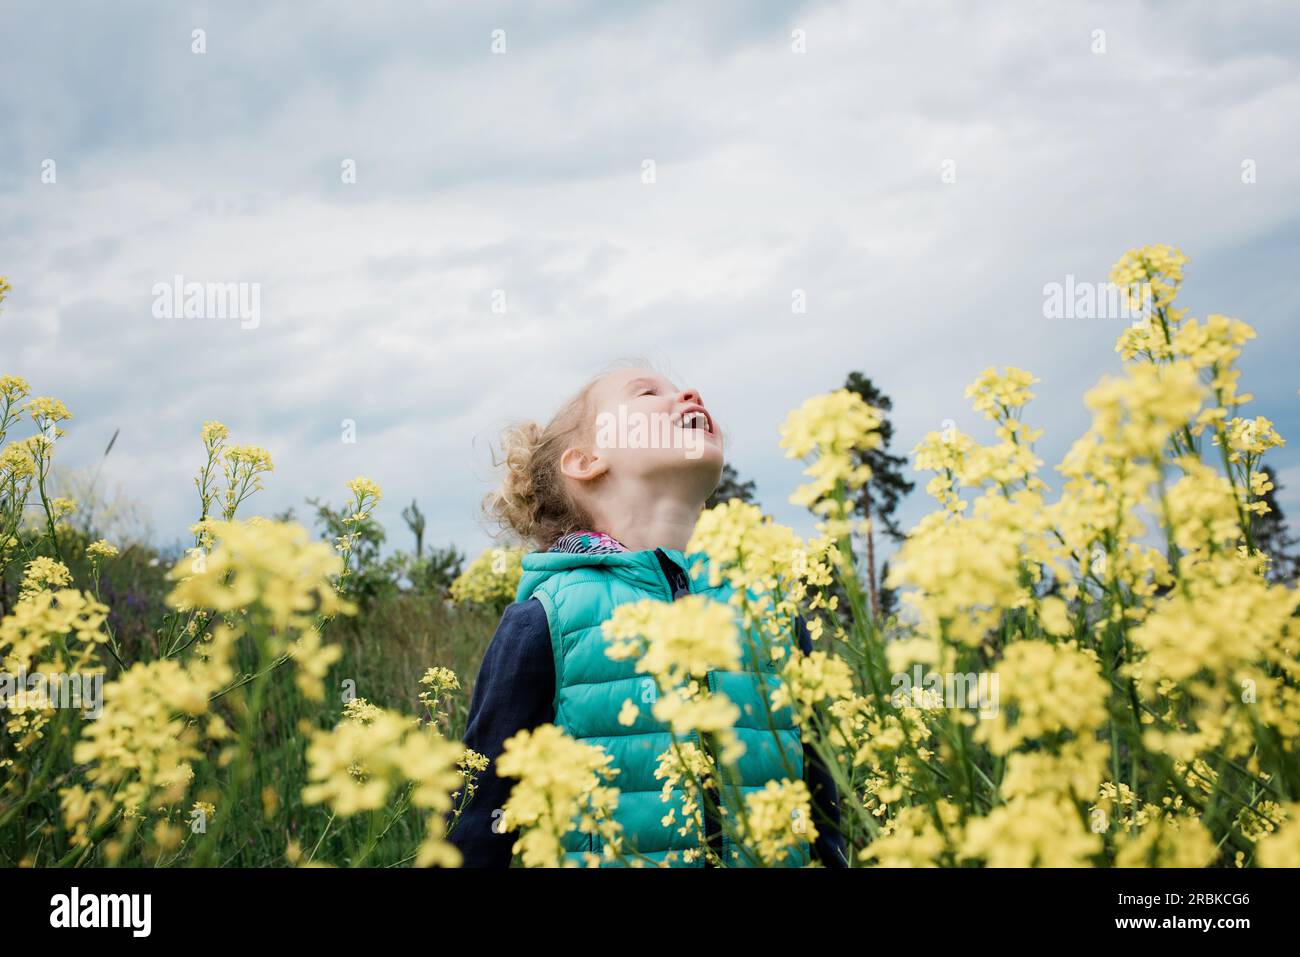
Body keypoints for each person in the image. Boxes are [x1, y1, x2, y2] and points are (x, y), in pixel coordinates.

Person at [449, 362, 848, 867]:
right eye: (647, 392)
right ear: (586, 460)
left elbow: (820, 803)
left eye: (682, 388)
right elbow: (480, 814)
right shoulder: (545, 618)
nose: (690, 394)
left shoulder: (769, 606)